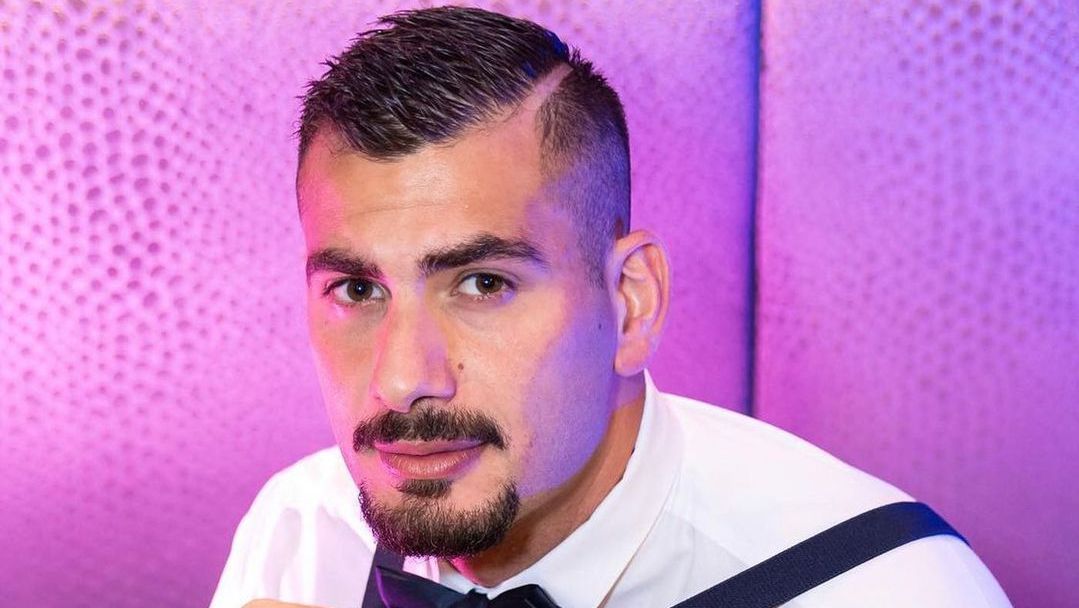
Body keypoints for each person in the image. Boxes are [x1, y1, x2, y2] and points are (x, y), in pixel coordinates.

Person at [210, 7, 1011, 608]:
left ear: (631, 302)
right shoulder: (302, 529)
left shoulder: (882, 588)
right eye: (358, 291)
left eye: (483, 284)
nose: (401, 380)